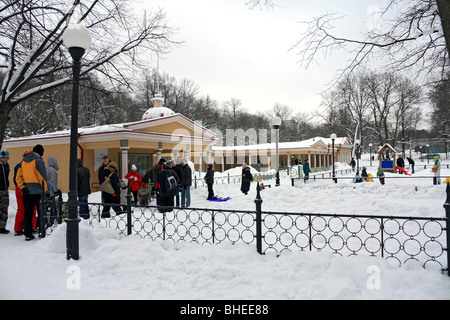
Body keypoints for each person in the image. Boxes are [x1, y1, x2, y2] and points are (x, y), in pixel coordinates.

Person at [15, 144, 49, 241]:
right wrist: (46, 190)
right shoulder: (39, 161)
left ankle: (28, 234)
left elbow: (18, 177)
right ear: (40, 152)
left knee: (28, 213)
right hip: (38, 191)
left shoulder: (23, 162)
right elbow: (42, 178)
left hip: (26, 192)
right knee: (41, 211)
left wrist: (23, 187)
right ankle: (41, 231)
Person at [0, 150, 10, 234]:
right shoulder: (1, 166)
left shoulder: (6, 165)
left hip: (4, 189)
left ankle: (2, 226)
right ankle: (1, 227)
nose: (8, 158)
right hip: (1, 189)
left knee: (4, 208)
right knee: (2, 208)